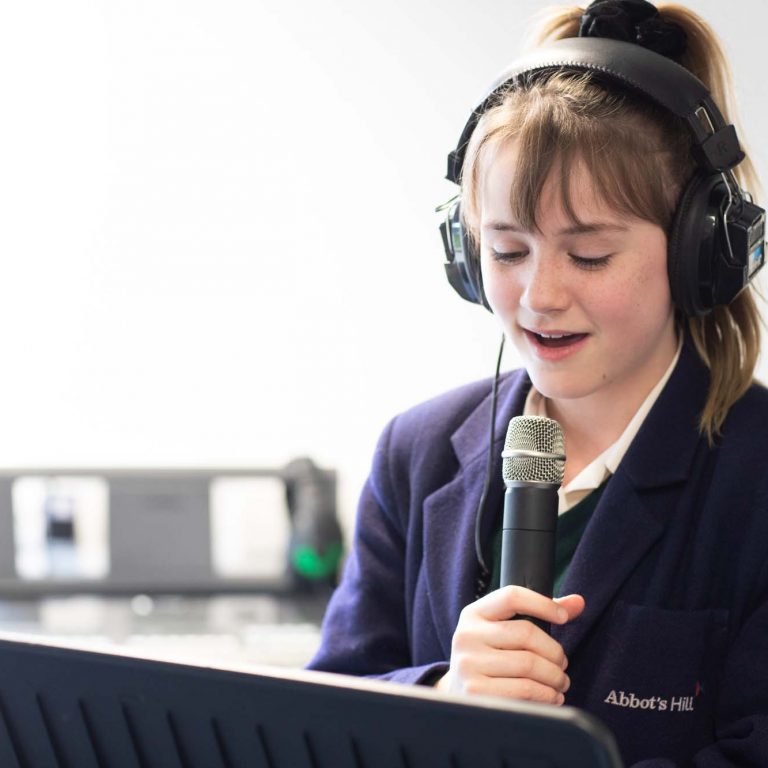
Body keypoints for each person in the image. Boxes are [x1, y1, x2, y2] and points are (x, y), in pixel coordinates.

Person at [308, 1, 768, 764]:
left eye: (588, 256)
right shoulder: (414, 452)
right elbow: (319, 717)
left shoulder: (755, 479)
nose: (539, 295)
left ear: (699, 253)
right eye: (507, 250)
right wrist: (442, 698)